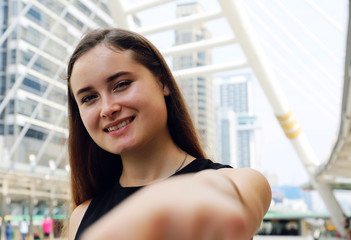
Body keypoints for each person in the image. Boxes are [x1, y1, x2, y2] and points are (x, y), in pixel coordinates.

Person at [67, 28, 271, 240]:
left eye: (121, 84)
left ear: (162, 83)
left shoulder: (243, 182)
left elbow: (228, 197)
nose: (107, 108)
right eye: (89, 98)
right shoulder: (81, 218)